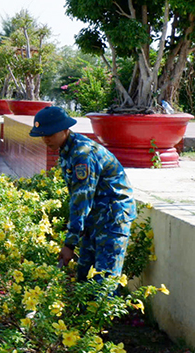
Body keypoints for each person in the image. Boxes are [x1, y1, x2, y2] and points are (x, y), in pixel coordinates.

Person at [29, 106, 136, 282]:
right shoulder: (67, 150)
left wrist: (69, 243)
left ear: (65, 130)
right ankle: (85, 310)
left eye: (50, 134)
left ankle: (103, 309)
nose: (46, 139)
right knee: (85, 276)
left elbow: (81, 201)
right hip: (94, 219)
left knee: (104, 280)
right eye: (43, 135)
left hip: (112, 218)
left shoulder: (82, 154)